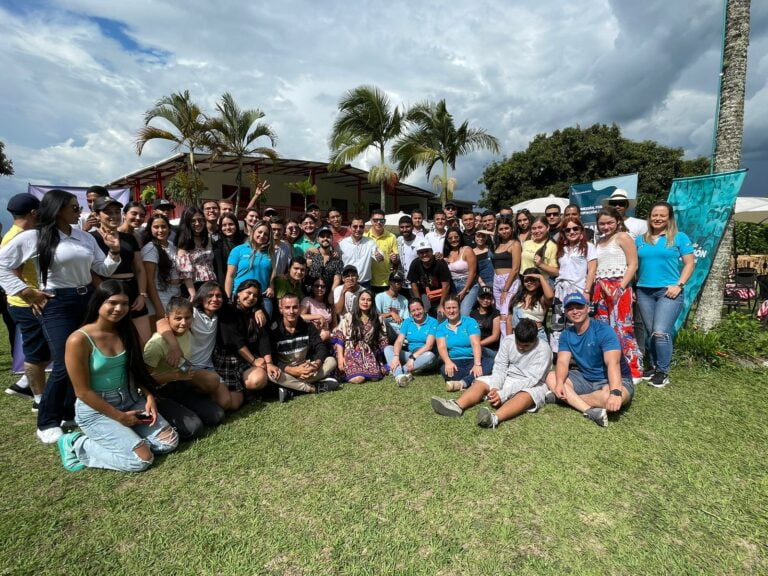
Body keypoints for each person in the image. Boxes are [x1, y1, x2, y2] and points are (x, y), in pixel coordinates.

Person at [0, 189, 121, 443]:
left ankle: (68, 412)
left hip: (86, 298)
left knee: (84, 359)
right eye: (74, 208)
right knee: (64, 363)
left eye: (79, 208)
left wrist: (114, 252)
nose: (79, 212)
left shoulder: (83, 237)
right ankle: (46, 421)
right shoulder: (34, 236)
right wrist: (25, 291)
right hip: (56, 303)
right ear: (57, 210)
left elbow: (102, 268)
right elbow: (3, 265)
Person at [56, 280, 178, 472]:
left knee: (169, 442)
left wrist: (148, 396)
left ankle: (129, 440)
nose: (119, 308)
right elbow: (82, 392)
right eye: (112, 302)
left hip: (130, 398)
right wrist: (120, 418)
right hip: (96, 408)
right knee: (141, 460)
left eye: (124, 303)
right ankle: (76, 442)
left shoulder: (127, 331)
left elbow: (136, 371)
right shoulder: (78, 340)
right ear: (98, 303)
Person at [430, 318, 551, 428]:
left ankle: (493, 418)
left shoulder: (543, 349)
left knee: (526, 395)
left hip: (533, 383)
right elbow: (500, 366)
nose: (521, 348)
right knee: (481, 382)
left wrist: (503, 393)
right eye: (518, 344)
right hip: (509, 376)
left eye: (526, 346)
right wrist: (495, 387)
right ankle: (456, 406)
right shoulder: (508, 341)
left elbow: (532, 379)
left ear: (535, 339)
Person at [143, 297, 228, 439]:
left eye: (187, 317)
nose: (183, 322)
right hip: (160, 392)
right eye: (178, 318)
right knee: (194, 428)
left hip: (180, 384)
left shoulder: (187, 333)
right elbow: (145, 380)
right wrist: (176, 375)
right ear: (167, 318)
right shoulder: (156, 345)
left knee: (217, 415)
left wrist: (188, 372)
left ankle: (188, 406)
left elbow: (183, 361)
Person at [546, 292, 634, 427]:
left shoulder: (604, 330)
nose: (575, 311)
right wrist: (559, 382)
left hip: (614, 380)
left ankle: (566, 400)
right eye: (570, 308)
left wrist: (615, 392)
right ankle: (589, 410)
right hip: (585, 378)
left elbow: (613, 363)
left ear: (587, 308)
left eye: (579, 307)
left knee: (609, 399)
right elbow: (562, 361)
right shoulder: (566, 334)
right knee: (552, 377)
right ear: (565, 312)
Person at [635, 201, 695, 388]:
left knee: (660, 331)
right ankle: (653, 367)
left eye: (662, 215)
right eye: (655, 215)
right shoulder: (640, 239)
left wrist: (679, 285)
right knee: (651, 331)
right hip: (644, 291)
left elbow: (690, 264)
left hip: (668, 292)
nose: (658, 218)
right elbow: (635, 265)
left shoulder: (678, 237)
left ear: (669, 218)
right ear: (649, 217)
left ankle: (663, 371)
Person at [2, 193, 45, 407]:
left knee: (43, 349)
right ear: (34, 213)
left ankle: (22, 383)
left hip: (30, 302)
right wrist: (29, 295)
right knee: (36, 352)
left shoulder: (19, 232)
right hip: (27, 304)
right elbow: (11, 271)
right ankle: (39, 399)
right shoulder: (17, 237)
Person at [90, 196, 152, 345]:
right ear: (97, 215)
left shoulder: (129, 238)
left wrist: (142, 294)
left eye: (117, 212)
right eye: (108, 212)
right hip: (106, 291)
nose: (114, 216)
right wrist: (105, 294)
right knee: (114, 341)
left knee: (144, 341)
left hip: (132, 291)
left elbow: (140, 269)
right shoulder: (91, 238)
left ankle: (140, 369)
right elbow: (91, 272)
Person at [593, 207, 642, 381]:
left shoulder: (623, 237)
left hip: (618, 285)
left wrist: (621, 287)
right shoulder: (599, 241)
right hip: (601, 287)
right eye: (602, 224)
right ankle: (611, 365)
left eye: (609, 223)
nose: (605, 227)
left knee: (623, 327)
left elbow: (633, 264)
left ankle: (634, 368)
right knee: (604, 328)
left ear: (618, 221)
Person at [212, 280, 271, 409]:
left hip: (245, 360)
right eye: (248, 293)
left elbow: (264, 339)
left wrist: (269, 363)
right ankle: (243, 393)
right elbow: (237, 342)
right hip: (229, 359)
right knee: (233, 404)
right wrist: (254, 361)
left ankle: (246, 390)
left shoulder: (257, 313)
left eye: (255, 296)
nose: (251, 298)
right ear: (238, 293)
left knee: (258, 379)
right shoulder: (227, 311)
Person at [270, 293, 339, 400]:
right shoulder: (274, 329)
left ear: (299, 308)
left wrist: (315, 364)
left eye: (295, 307)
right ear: (281, 309)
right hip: (287, 371)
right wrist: (291, 370)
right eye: (287, 308)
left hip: (306, 368)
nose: (291, 311)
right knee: (271, 374)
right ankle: (313, 389)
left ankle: (292, 389)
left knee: (331, 361)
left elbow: (320, 346)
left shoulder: (308, 326)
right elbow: (272, 357)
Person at [550, 216, 597, 352]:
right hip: (560, 291)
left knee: (577, 323)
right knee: (558, 324)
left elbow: (592, 269)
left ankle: (579, 355)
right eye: (567, 229)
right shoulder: (561, 249)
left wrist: (587, 291)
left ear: (581, 230)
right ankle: (559, 354)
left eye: (575, 228)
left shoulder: (589, 247)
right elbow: (559, 270)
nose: (572, 232)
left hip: (578, 290)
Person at [436, 295, 493, 391]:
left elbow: (475, 343)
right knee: (444, 369)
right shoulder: (441, 327)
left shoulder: (470, 322)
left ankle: (463, 382)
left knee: (491, 363)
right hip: (455, 362)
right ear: (444, 310)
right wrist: (448, 362)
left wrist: (477, 364)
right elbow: (441, 346)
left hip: (472, 359)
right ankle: (475, 379)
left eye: (454, 307)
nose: (451, 311)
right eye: (448, 308)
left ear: (459, 308)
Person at [333, 289, 389, 383]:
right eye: (362, 299)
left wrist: (387, 359)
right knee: (359, 379)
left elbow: (383, 340)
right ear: (358, 301)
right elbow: (340, 337)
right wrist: (340, 358)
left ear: (372, 302)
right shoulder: (348, 317)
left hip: (369, 353)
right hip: (351, 352)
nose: (365, 302)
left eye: (368, 300)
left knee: (374, 378)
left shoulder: (378, 319)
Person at [384, 298, 439, 386]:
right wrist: (396, 356)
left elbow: (429, 345)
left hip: (424, 356)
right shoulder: (407, 322)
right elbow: (399, 341)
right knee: (388, 348)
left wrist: (413, 358)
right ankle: (399, 375)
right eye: (413, 311)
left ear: (424, 308)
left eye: (419, 309)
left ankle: (403, 369)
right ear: (410, 312)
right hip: (410, 354)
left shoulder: (433, 322)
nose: (416, 313)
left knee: (430, 356)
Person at [225, 221, 275, 316]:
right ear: (253, 232)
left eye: (266, 234)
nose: (262, 235)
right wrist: (228, 298)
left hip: (262, 299)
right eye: (259, 232)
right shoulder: (238, 250)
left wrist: (271, 287)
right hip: (240, 298)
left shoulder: (270, 254)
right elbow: (230, 276)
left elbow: (271, 276)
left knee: (262, 330)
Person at [141, 214, 183, 324]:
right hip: (160, 297)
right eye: (156, 227)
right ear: (150, 229)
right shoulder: (150, 249)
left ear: (169, 228)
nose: (160, 230)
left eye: (163, 226)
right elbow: (149, 281)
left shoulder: (172, 245)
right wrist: (158, 308)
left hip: (175, 295)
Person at [176, 206, 216, 300]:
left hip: (211, 284)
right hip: (195, 286)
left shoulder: (207, 239)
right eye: (193, 221)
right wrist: (193, 294)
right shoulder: (184, 242)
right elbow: (186, 273)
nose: (197, 223)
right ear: (187, 223)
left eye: (200, 220)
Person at [507, 268, 553, 343]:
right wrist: (508, 339)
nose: (529, 283)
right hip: (517, 336)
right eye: (526, 281)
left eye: (532, 280)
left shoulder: (542, 298)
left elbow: (550, 296)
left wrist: (541, 277)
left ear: (539, 281)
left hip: (537, 336)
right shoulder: (516, 297)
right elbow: (509, 319)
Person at [407, 240, 451, 318]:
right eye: (421, 252)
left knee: (441, 314)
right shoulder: (415, 263)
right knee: (422, 313)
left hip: (441, 293)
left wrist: (441, 305)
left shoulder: (440, 263)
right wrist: (419, 304)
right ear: (418, 254)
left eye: (427, 251)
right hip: (425, 294)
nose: (424, 254)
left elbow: (446, 286)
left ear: (432, 251)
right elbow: (413, 284)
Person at [443, 227, 478, 317]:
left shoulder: (467, 250)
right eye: (450, 238)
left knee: (464, 313)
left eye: (456, 237)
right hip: (453, 286)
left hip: (469, 285)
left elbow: (473, 272)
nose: (453, 240)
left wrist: (465, 290)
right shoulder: (447, 253)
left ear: (460, 237)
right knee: (453, 314)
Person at [304, 226, 342, 302]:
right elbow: (302, 270)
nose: (325, 238)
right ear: (318, 240)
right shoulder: (310, 254)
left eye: (328, 237)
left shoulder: (336, 258)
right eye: (322, 236)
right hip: (309, 294)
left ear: (332, 240)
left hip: (327, 295)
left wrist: (331, 293)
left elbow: (337, 278)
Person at [339, 217, 379, 288]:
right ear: (350, 227)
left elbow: (378, 255)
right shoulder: (342, 243)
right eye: (355, 226)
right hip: (348, 283)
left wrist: (379, 256)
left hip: (365, 284)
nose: (358, 229)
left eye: (361, 227)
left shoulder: (370, 242)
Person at [365, 209, 399, 293]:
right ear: (371, 221)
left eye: (381, 220)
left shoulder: (392, 237)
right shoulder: (365, 237)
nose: (378, 222)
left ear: (385, 221)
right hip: (368, 280)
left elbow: (396, 259)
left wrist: (394, 258)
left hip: (386, 281)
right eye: (375, 220)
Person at [521, 216, 558, 282]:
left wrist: (541, 265)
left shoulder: (552, 246)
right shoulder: (526, 243)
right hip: (524, 282)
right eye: (534, 228)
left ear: (547, 228)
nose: (537, 231)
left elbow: (556, 272)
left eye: (540, 227)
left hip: (541, 285)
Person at [211, 213, 246, 285]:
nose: (228, 227)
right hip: (223, 282)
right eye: (224, 225)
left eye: (231, 224)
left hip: (241, 282)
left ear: (236, 225)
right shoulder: (217, 243)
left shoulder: (244, 242)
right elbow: (219, 269)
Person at [375, 271, 410, 341]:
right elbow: (376, 317)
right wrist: (391, 314)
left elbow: (406, 319)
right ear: (389, 282)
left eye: (399, 281)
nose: (396, 283)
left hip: (400, 329)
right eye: (394, 281)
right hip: (385, 328)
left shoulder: (404, 300)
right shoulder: (380, 297)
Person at [470, 285, 501, 362]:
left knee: (477, 350)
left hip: (490, 349)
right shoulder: (473, 314)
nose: (485, 300)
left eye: (488, 298)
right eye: (483, 297)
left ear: (492, 299)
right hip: (475, 345)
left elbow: (495, 336)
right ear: (477, 298)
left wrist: (478, 344)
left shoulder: (496, 313)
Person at [396, 215, 419, 295]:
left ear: (412, 227)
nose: (404, 230)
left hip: (416, 284)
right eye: (402, 227)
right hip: (401, 284)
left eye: (407, 227)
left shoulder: (420, 241)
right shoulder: (398, 240)